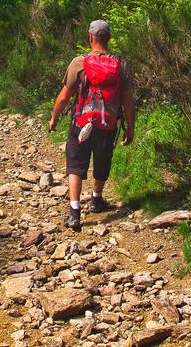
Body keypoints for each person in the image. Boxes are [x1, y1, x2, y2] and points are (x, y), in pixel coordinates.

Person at [49, 20, 135, 231]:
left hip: (81, 122)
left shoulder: (79, 63)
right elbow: (127, 100)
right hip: (108, 123)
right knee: (102, 160)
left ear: (90, 37)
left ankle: (74, 213)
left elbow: (63, 96)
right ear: (109, 38)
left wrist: (54, 117)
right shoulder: (120, 64)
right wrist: (130, 127)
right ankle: (96, 200)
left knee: (76, 164)